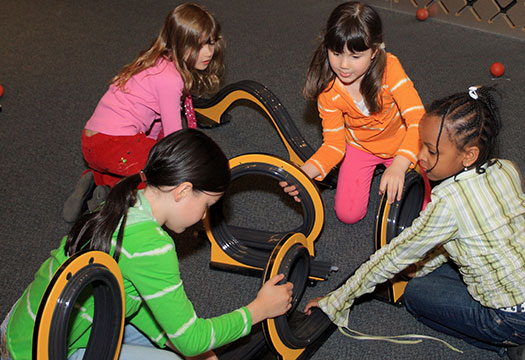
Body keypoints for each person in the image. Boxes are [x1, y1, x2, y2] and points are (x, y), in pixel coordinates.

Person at [303, 86, 525, 357]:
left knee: (415, 296)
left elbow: (392, 257)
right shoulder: (505, 168)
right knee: (432, 269)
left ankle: (512, 346)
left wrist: (335, 302)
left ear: (469, 155)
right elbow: (474, 237)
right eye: (421, 145)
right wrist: (425, 265)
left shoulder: (448, 202)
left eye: (431, 150)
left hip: (518, 321)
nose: (420, 157)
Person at [1, 129, 294, 360]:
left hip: (20, 329)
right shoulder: (152, 246)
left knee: (175, 342)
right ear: (183, 191)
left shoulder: (120, 205)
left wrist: (177, 343)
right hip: (38, 352)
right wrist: (258, 309)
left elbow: (136, 300)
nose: (205, 216)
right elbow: (193, 339)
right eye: (207, 205)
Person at [63, 2, 225, 223]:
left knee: (142, 155)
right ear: (178, 44)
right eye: (199, 46)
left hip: (92, 142)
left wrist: (150, 148)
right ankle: (112, 201)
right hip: (115, 144)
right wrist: (190, 166)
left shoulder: (157, 62)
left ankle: (96, 179)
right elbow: (173, 137)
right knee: (157, 179)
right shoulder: (170, 80)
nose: (208, 52)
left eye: (211, 42)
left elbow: (156, 123)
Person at [281, 1, 425, 224]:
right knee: (348, 215)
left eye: (355, 56)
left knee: (423, 209)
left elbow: (417, 119)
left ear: (375, 51)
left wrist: (400, 163)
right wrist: (305, 173)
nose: (344, 65)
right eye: (336, 53)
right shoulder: (328, 91)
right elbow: (333, 145)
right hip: (361, 146)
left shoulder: (390, 69)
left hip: (400, 142)